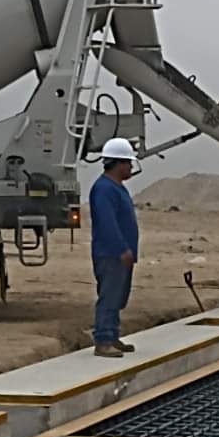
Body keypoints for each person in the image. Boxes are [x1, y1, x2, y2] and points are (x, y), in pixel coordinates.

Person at [89, 137, 141, 357]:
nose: (130, 167)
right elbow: (107, 223)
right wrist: (121, 249)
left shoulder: (116, 188)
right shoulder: (104, 189)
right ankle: (103, 340)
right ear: (117, 163)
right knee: (109, 296)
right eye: (128, 163)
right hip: (111, 255)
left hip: (120, 254)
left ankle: (112, 335)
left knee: (117, 296)